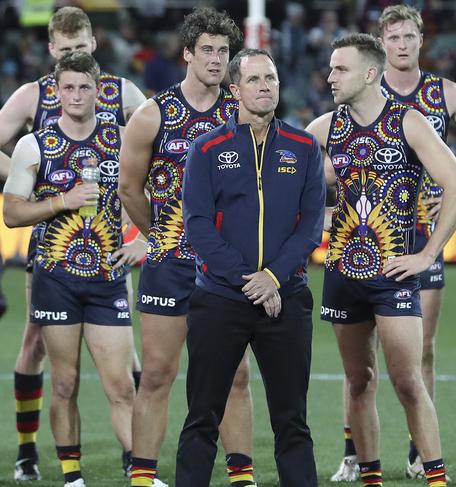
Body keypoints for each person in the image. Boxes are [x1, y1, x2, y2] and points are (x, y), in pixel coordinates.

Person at [328, 6, 456, 481]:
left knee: (419, 354)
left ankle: (421, 454)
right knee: (360, 368)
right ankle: (353, 452)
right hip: (359, 247)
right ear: (381, 44)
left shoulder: (442, 95)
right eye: (392, 36)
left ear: (421, 41)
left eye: (409, 36)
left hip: (417, 240)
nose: (401, 43)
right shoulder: (345, 108)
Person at [0, 7, 147, 480]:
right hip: (52, 246)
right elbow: (14, 199)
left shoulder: (122, 94)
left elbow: (157, 152)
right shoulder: (32, 97)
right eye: (66, 53)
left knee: (124, 360)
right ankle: (28, 452)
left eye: (81, 49)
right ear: (51, 53)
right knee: (36, 347)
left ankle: (135, 458)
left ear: (94, 45)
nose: (75, 57)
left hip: (106, 243)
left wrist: (141, 229)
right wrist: (30, 180)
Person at [118, 8, 255, 487]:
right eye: (209, 51)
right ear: (187, 55)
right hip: (169, 267)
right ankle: (142, 476)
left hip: (226, 271)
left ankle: (242, 476)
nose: (217, 60)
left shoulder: (240, 116)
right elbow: (130, 189)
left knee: (234, 377)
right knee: (156, 375)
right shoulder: (154, 114)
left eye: (224, 51)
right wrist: (160, 235)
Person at [175, 47, 324, 487]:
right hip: (220, 299)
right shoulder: (207, 148)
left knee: (292, 422)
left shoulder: (304, 147)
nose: (265, 87)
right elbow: (198, 226)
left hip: (286, 298)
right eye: (255, 80)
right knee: (202, 417)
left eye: (271, 79)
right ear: (234, 88)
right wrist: (252, 281)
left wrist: (274, 277)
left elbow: (311, 227)